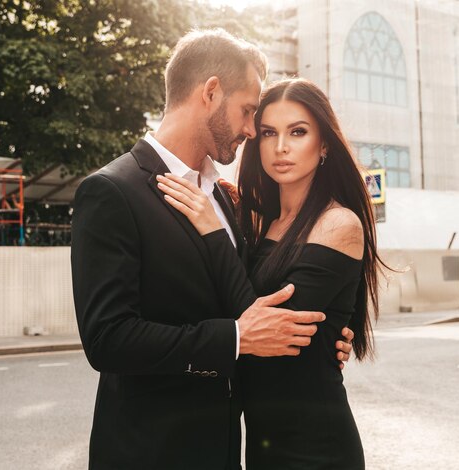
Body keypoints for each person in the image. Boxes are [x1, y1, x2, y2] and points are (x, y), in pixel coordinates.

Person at [70, 30, 353, 470]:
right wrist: (237, 339)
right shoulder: (112, 190)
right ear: (211, 92)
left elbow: (251, 290)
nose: (249, 131)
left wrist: (327, 338)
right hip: (149, 454)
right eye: (247, 113)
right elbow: (108, 340)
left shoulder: (226, 199)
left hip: (229, 452)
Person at [158, 78, 382, 470]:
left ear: (325, 143)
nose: (280, 147)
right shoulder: (260, 224)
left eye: (298, 132)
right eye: (268, 133)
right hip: (261, 444)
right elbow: (234, 311)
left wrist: (212, 232)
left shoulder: (338, 224)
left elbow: (269, 331)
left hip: (317, 447)